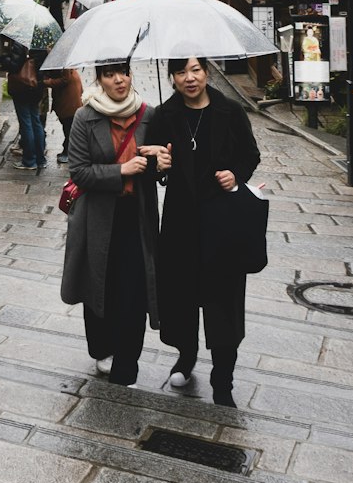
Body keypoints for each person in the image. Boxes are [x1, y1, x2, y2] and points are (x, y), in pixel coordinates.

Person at [145, 56, 261, 407]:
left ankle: (223, 377)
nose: (189, 78)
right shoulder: (164, 115)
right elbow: (152, 162)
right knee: (181, 297)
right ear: (172, 77)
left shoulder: (230, 111)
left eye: (195, 70)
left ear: (207, 73)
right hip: (181, 223)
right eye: (181, 72)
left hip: (222, 222)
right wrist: (158, 165)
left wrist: (235, 175)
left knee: (223, 300)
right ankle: (186, 356)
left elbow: (250, 155)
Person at [61, 62, 169, 385]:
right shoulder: (85, 117)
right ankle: (102, 346)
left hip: (136, 216)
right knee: (100, 287)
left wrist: (163, 164)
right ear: (99, 79)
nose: (118, 79)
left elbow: (155, 170)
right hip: (97, 216)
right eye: (109, 74)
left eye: (122, 71)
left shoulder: (149, 115)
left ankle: (127, 363)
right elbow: (78, 171)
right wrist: (121, 170)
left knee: (134, 291)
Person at [0, 42, 47, 174]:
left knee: (26, 124)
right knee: (36, 122)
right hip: (37, 87)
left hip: (23, 88)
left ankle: (29, 160)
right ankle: (40, 160)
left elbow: (13, 65)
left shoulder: (21, 43)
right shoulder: (40, 43)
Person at [44, 64, 83, 163]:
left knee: (69, 128)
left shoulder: (65, 63)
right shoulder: (69, 64)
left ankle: (68, 153)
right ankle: (69, 151)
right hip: (71, 99)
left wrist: (47, 82)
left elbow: (65, 79)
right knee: (69, 127)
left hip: (69, 101)